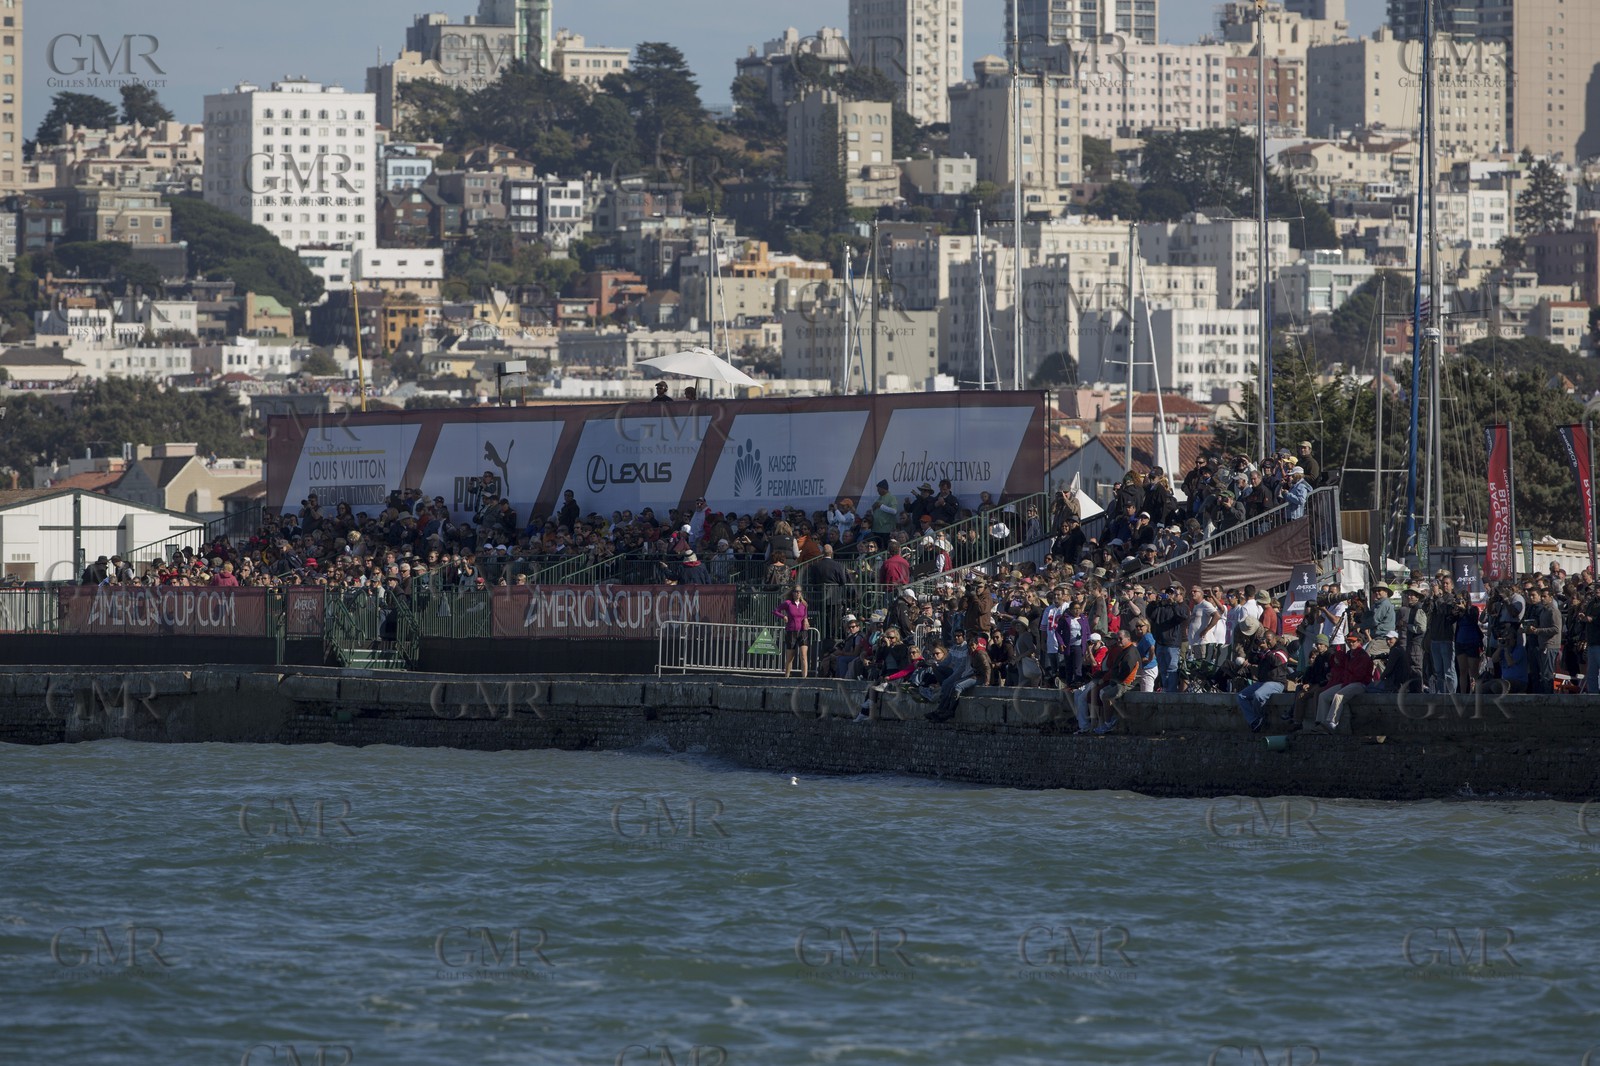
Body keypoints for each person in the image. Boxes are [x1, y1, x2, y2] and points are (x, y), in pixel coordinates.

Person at [1315, 631, 1373, 732]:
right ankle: (1321, 723)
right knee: (1323, 696)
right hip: (1347, 683)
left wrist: (1346, 679)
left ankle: (1331, 724)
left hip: (1360, 684)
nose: (1350, 643)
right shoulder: (1348, 655)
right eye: (1348, 641)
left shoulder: (1363, 656)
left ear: (1359, 641)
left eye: (1353, 641)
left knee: (1339, 696)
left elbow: (1359, 675)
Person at [1236, 636, 1291, 732]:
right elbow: (1253, 660)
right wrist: (1255, 648)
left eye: (1269, 640)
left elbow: (1275, 662)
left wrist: (1266, 649)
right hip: (1262, 682)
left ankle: (1260, 717)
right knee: (1241, 696)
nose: (1267, 643)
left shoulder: (1282, 651)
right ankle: (1255, 720)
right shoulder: (1265, 651)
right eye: (1266, 640)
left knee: (1258, 695)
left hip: (1276, 682)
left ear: (1275, 639)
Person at [775, 586, 809, 678]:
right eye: (796, 591)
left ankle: (804, 678)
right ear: (792, 593)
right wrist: (783, 617)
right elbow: (775, 611)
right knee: (790, 657)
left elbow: (805, 615)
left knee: (803, 655)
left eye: (799, 591)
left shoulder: (804, 604)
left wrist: (806, 620)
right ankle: (787, 676)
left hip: (802, 631)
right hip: (791, 631)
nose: (798, 593)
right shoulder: (788, 603)